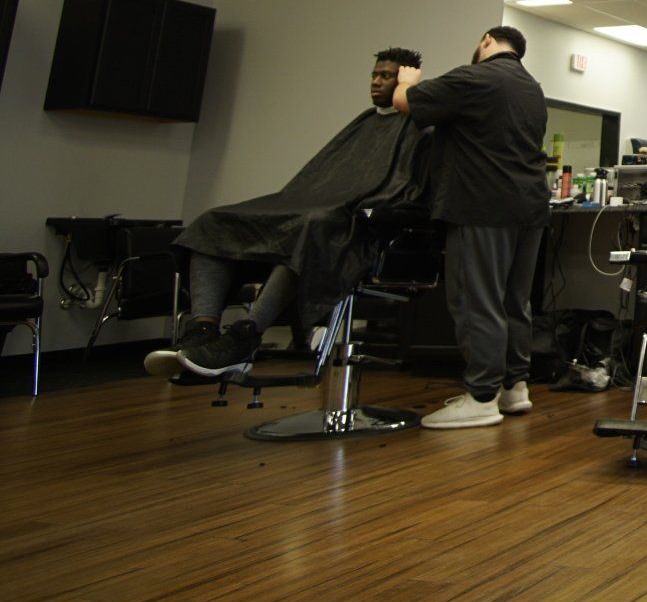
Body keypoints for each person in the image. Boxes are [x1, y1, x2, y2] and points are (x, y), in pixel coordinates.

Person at [148, 48, 427, 379]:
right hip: (313, 209)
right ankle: (203, 331)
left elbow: (403, 188)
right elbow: (317, 179)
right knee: (213, 222)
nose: (376, 82)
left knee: (309, 230)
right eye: (374, 75)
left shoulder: (418, 125)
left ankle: (245, 337)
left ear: (405, 79)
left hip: (353, 225)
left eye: (387, 76)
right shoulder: (364, 123)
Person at [394, 26, 549, 430]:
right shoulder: (531, 88)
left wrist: (407, 80)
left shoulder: (475, 77)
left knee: (477, 300)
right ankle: (514, 387)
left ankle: (481, 396)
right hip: (529, 206)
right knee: (515, 300)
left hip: (482, 205)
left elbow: (405, 102)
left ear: (487, 41)